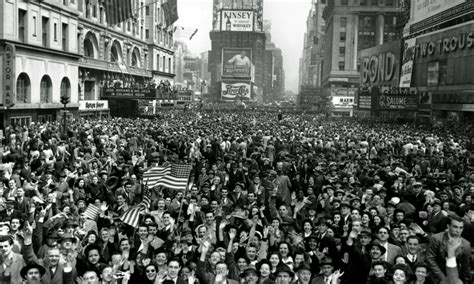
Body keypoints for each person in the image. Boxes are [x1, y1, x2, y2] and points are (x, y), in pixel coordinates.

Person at [426, 215, 471, 283]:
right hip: (435, 277)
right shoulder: (436, 238)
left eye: (461, 228)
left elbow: (466, 266)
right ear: (448, 226)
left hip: (455, 278)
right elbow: (430, 259)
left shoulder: (466, 244)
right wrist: (443, 278)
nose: (458, 231)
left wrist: (466, 281)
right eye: (455, 227)